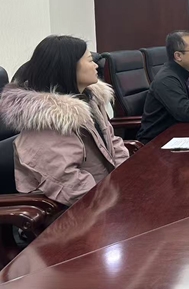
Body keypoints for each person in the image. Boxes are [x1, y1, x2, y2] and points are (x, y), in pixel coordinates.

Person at [0, 35, 130, 206]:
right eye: (90, 60)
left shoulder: (88, 99)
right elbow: (71, 187)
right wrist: (116, 199)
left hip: (105, 195)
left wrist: (126, 179)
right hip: (73, 212)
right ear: (69, 68)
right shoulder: (47, 121)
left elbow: (113, 142)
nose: (96, 66)